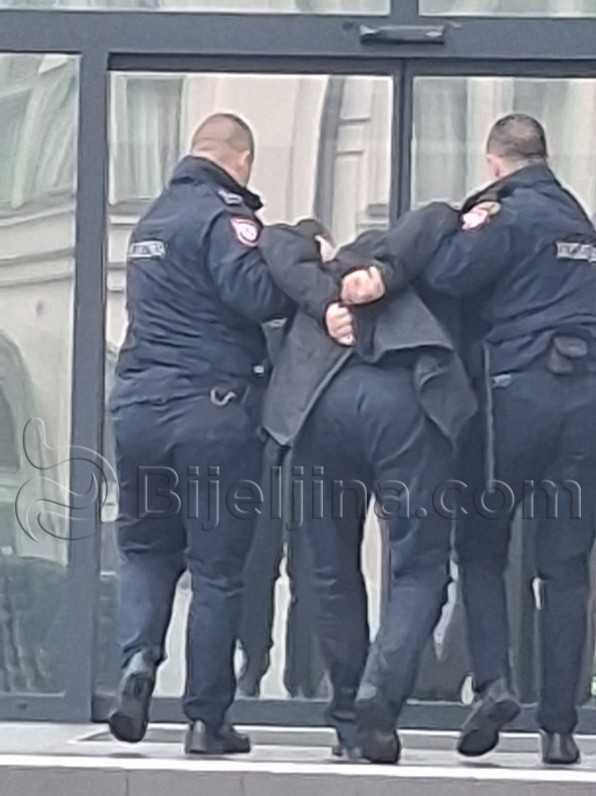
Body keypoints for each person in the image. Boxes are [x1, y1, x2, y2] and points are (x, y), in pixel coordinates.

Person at [369, 114, 596, 765]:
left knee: (481, 545)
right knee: (566, 569)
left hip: (514, 398)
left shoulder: (508, 215)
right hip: (584, 403)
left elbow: (448, 274)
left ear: (496, 162)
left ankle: (494, 683)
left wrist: (454, 224)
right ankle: (559, 729)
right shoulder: (581, 225)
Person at [107, 113, 323, 755]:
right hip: (209, 410)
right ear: (241, 160)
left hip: (138, 409)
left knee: (145, 551)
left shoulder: (150, 222)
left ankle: (137, 662)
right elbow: (257, 295)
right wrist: (293, 255)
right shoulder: (223, 216)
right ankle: (206, 720)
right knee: (217, 570)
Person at [258, 212, 477, 763]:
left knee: (328, 569)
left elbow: (276, 240)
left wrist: (323, 291)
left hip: (318, 407)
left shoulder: (314, 272)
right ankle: (380, 691)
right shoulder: (412, 266)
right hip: (404, 401)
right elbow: (437, 215)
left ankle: (349, 719)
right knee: (421, 565)